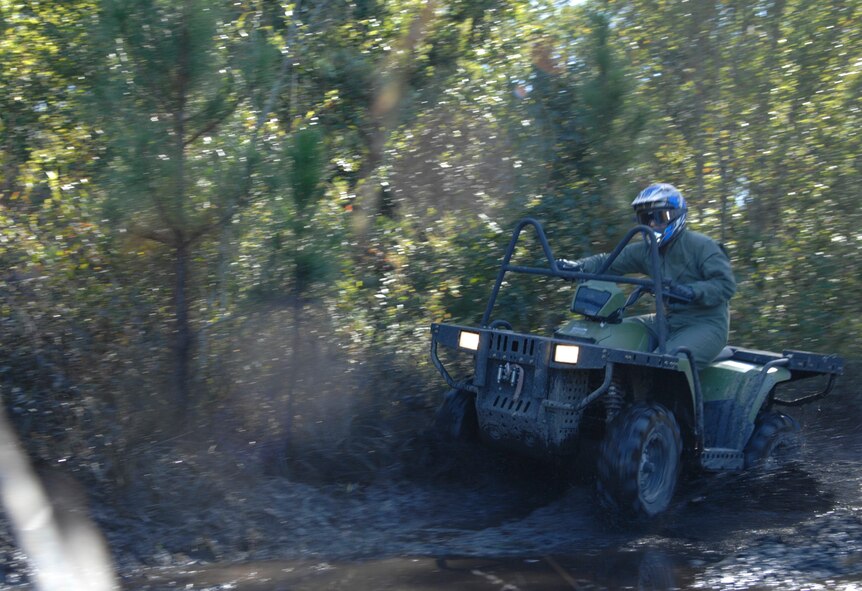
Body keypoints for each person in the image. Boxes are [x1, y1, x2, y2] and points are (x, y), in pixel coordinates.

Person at [558, 183, 736, 369]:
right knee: (607, 336)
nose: (652, 224)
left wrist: (691, 291)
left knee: (663, 364)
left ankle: (657, 396)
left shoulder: (703, 246)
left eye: (659, 218)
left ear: (676, 215)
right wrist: (578, 267)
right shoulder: (646, 251)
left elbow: (725, 285)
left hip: (706, 324)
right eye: (646, 219)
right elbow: (609, 261)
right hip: (667, 320)